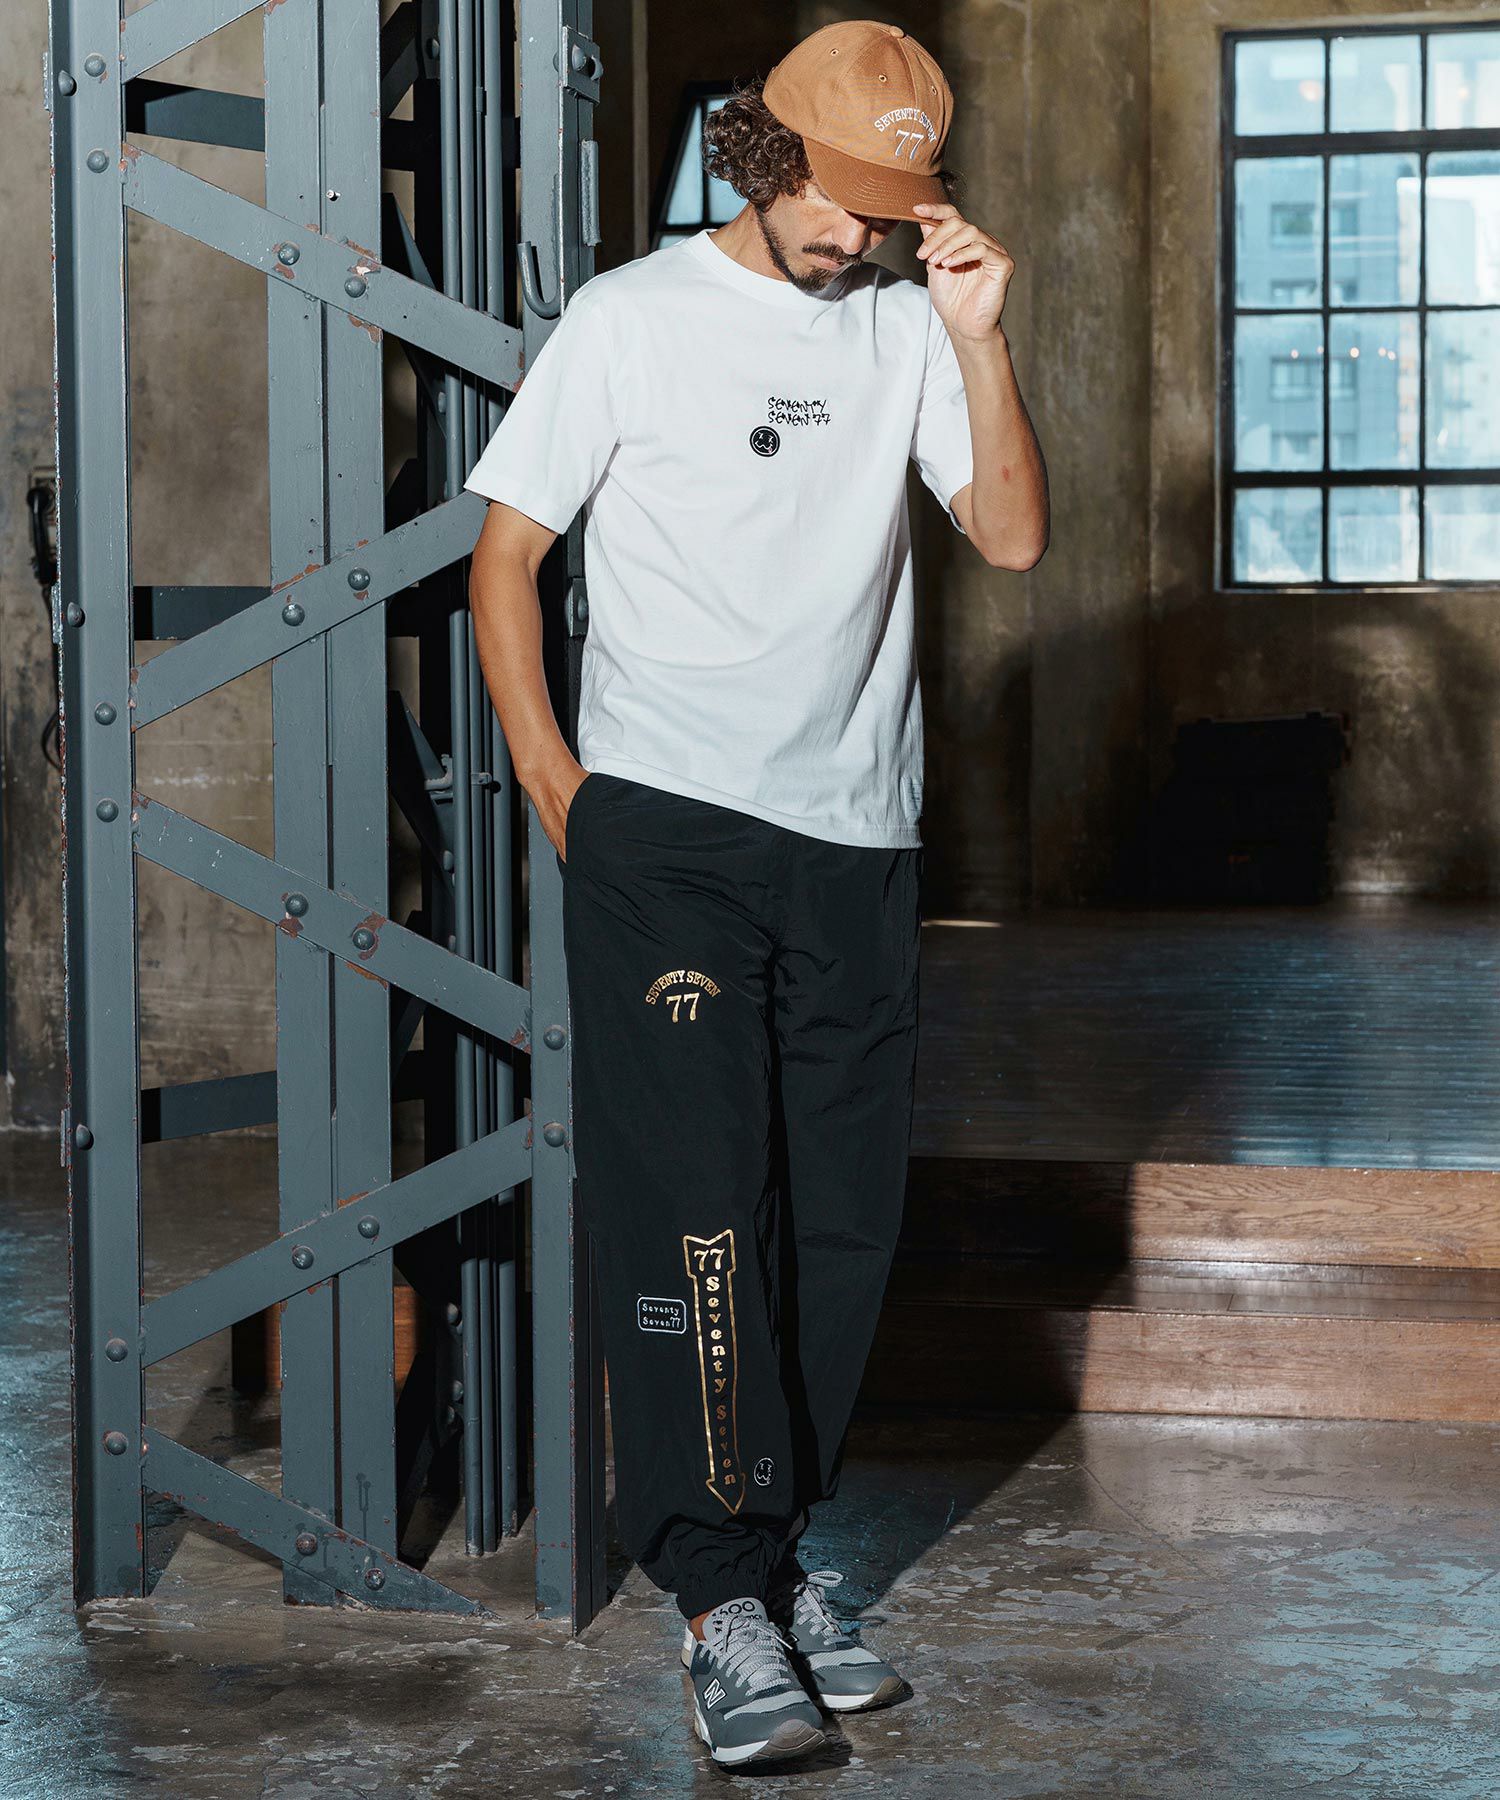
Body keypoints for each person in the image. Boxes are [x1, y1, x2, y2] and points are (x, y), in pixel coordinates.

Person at [466, 16, 1048, 1769]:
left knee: (841, 1225)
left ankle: (782, 1559)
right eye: (840, 201)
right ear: (765, 152)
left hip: (857, 839)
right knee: (696, 1213)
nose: (859, 236)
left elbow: (1011, 534)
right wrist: (558, 787)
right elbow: (508, 559)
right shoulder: (631, 317)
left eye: (892, 211)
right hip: (671, 835)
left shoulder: (907, 324)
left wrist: (980, 339)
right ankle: (717, 1593)